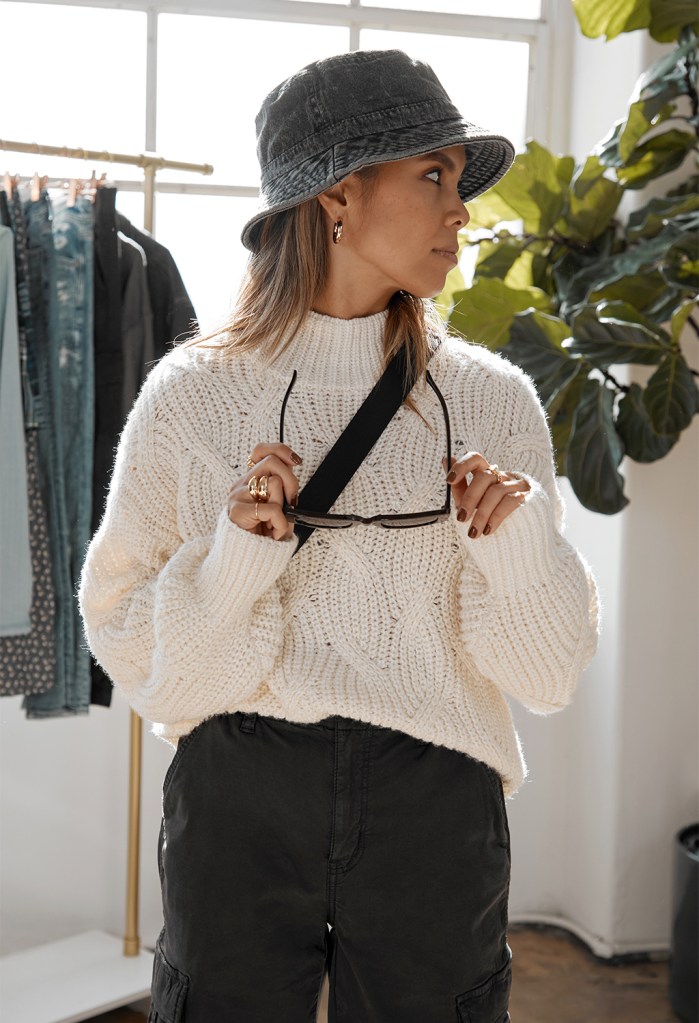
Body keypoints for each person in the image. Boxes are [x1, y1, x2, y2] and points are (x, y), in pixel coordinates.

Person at [79, 48, 600, 1023]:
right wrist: (237, 564)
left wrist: (518, 553)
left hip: (435, 798)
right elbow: (136, 653)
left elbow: (549, 676)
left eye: (460, 179)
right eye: (433, 176)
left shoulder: (492, 401)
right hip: (238, 789)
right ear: (337, 198)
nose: (462, 210)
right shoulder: (192, 399)